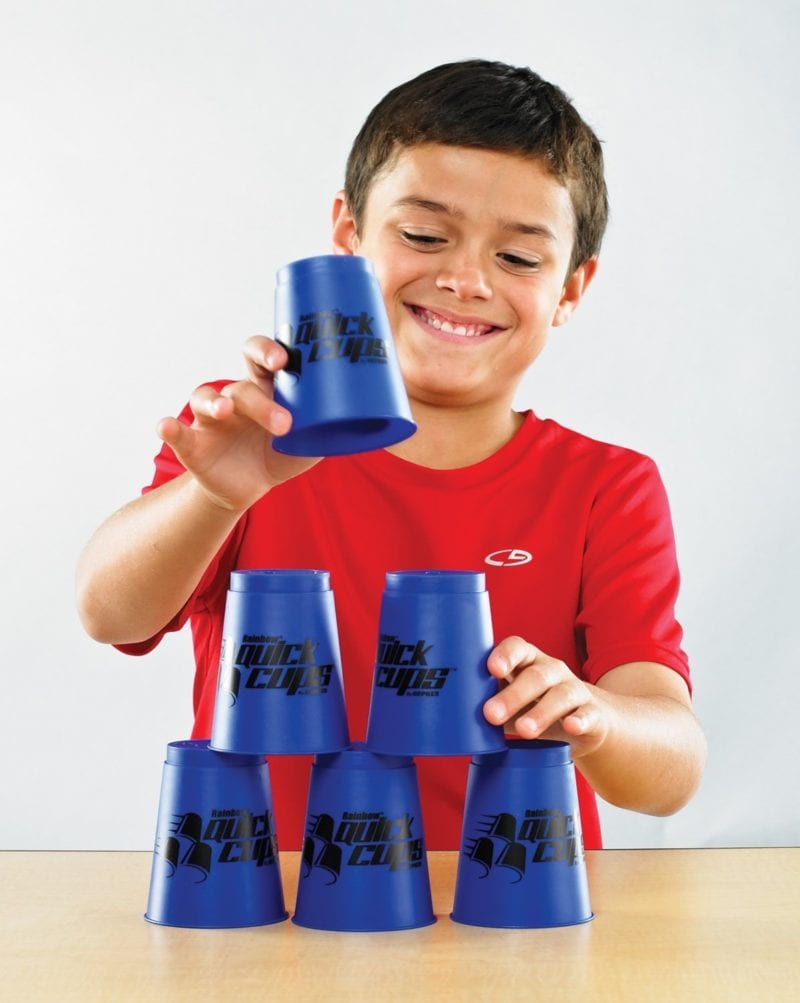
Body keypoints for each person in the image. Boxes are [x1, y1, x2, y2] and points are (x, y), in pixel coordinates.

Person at [76, 59, 707, 850]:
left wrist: (597, 716)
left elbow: (672, 768)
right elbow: (108, 612)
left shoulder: (606, 486)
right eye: (423, 236)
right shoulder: (249, 429)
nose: (465, 279)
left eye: (518, 258)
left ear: (571, 289)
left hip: (512, 913)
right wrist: (216, 496)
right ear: (349, 235)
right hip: (269, 904)